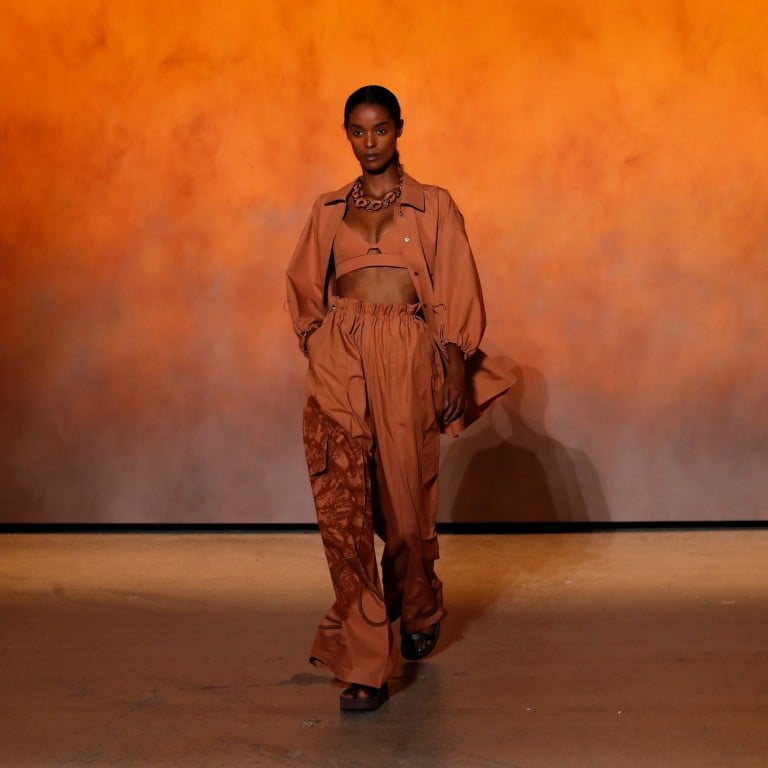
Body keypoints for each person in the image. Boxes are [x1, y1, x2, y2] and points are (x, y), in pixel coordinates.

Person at [286, 85, 486, 712]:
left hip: (407, 354)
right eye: (356, 131)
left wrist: (452, 359)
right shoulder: (327, 209)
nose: (368, 143)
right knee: (343, 507)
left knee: (404, 507)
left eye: (379, 130)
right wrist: (321, 342)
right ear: (346, 134)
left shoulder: (433, 206)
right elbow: (303, 286)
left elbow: (457, 283)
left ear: (400, 130)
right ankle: (364, 663)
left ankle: (419, 602)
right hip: (341, 355)